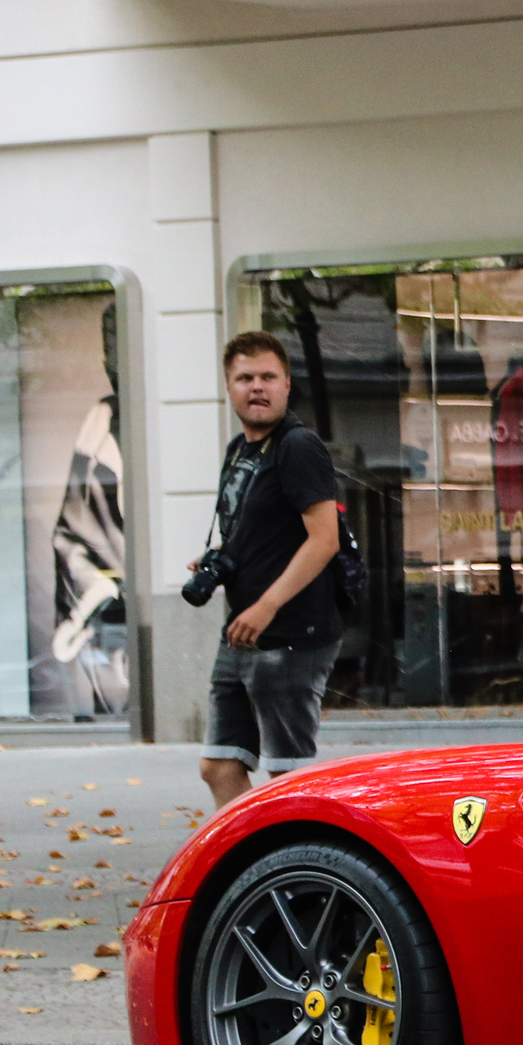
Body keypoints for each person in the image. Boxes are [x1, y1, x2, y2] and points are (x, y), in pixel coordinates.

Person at [197, 331, 342, 810]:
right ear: (228, 386)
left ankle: (308, 874)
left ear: (286, 384)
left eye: (267, 377)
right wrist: (220, 559)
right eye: (244, 378)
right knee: (220, 766)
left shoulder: (298, 447)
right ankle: (253, 869)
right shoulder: (239, 449)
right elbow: (259, 529)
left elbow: (324, 540)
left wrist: (267, 605)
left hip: (290, 633)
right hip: (243, 629)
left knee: (291, 776)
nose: (256, 387)